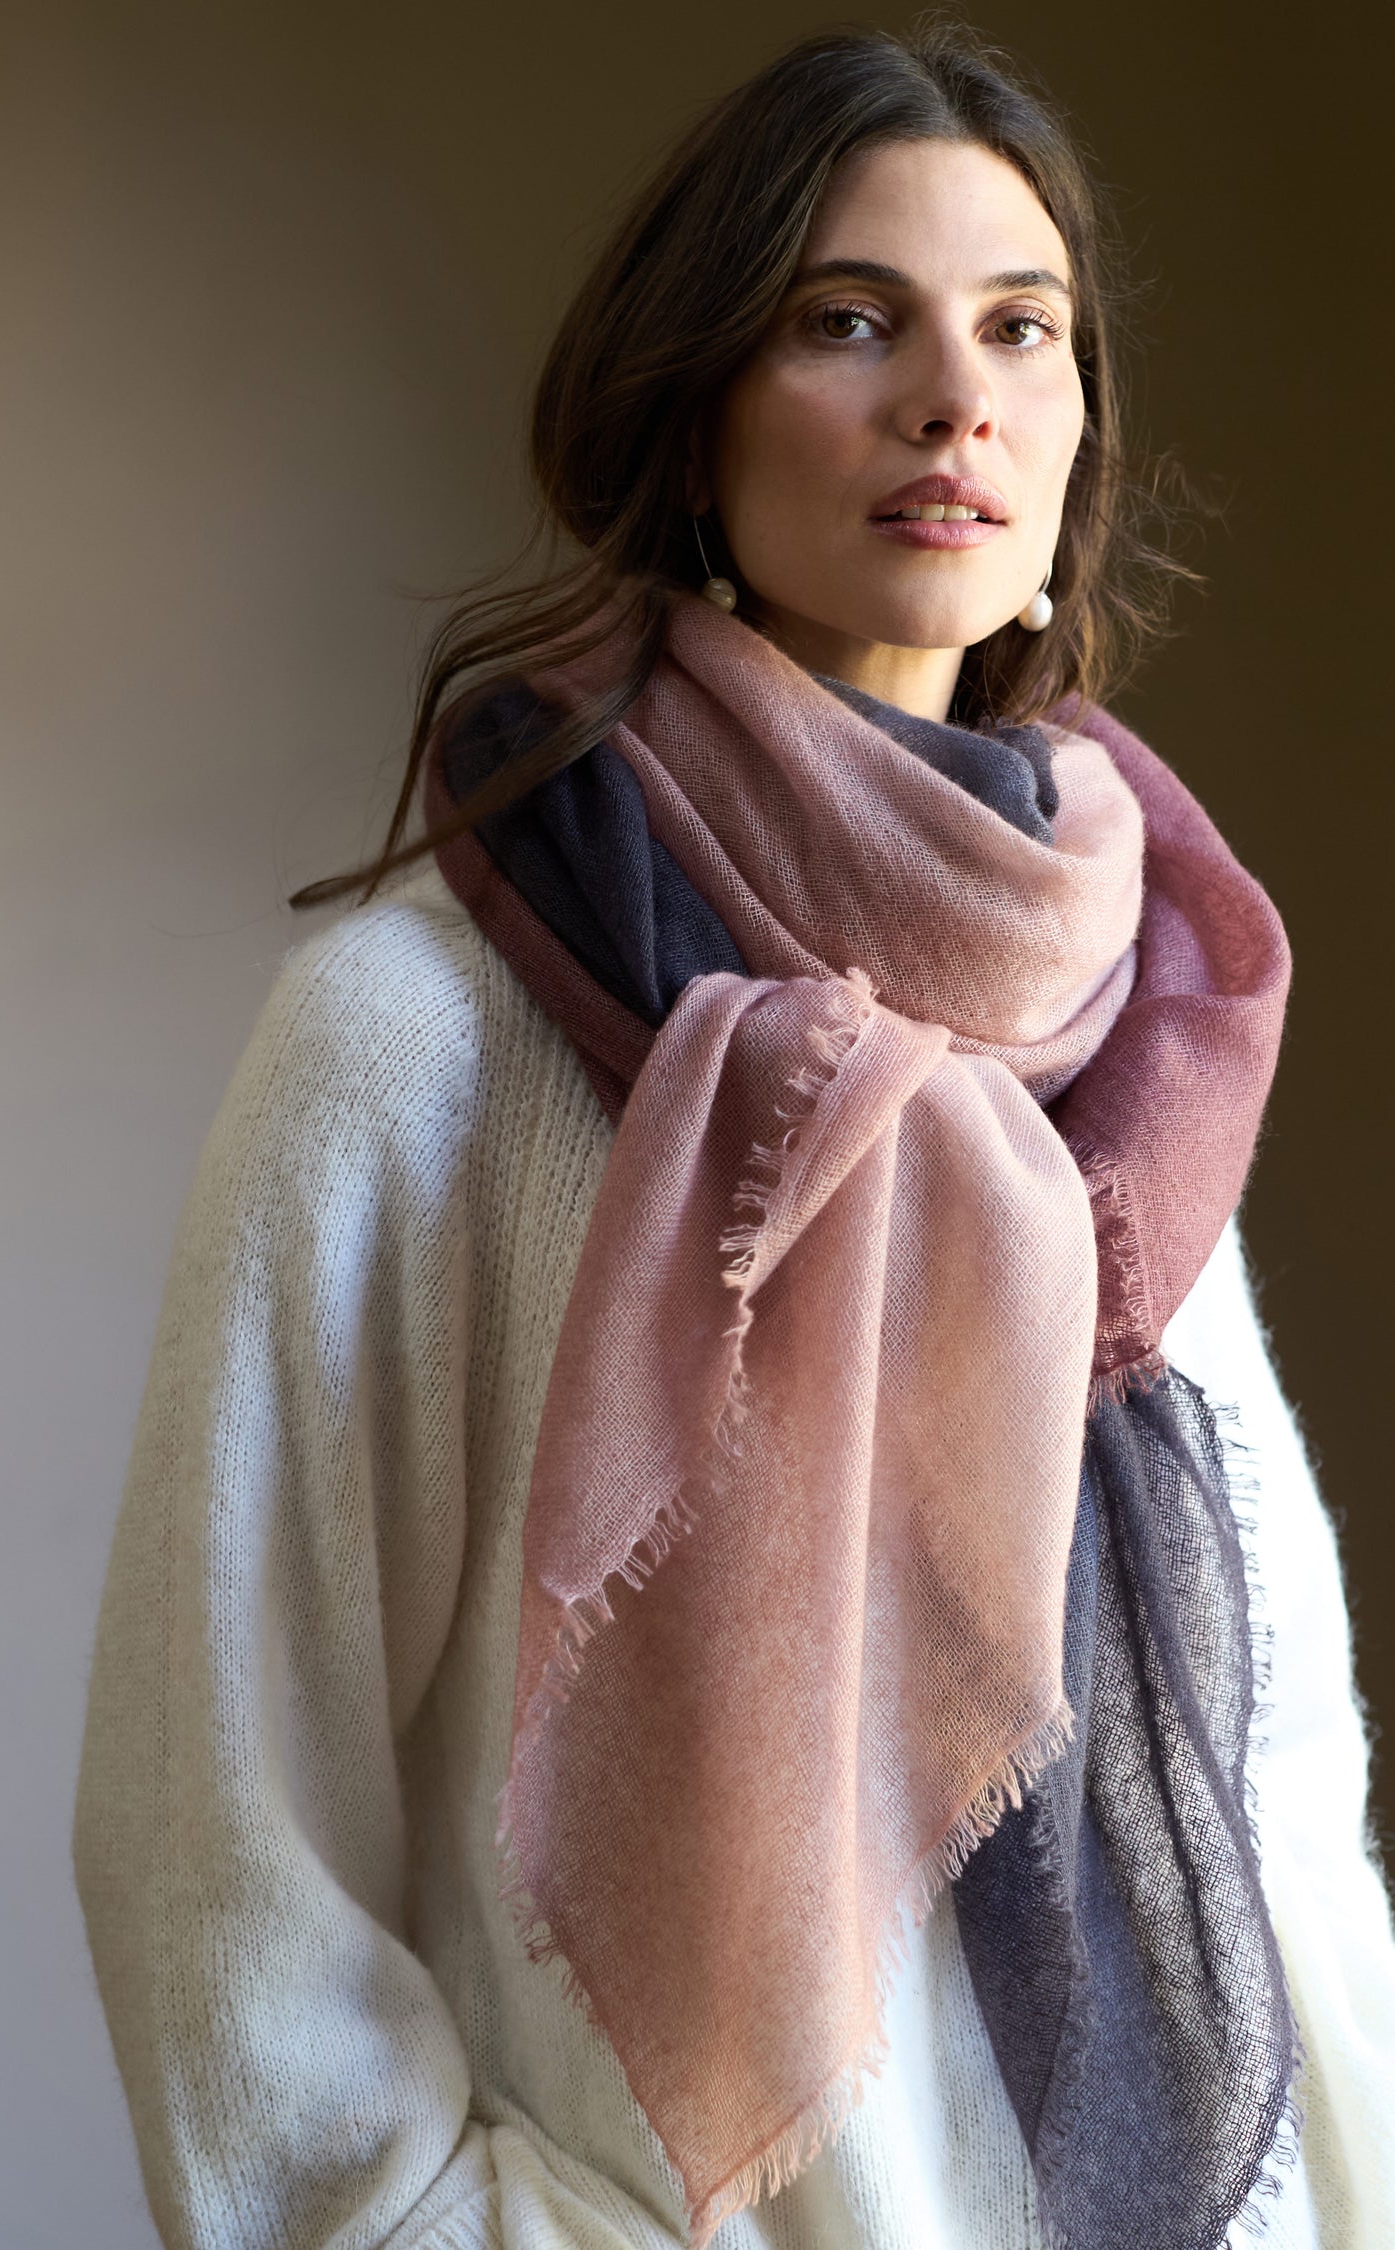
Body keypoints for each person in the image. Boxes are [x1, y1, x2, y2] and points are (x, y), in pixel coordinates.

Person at [70, 24, 1395, 2250]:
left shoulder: (1135, 1041)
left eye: (1022, 329)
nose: (955, 399)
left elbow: (1285, 1807)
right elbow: (208, 1824)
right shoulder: (418, 1042)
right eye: (849, 320)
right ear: (693, 415)